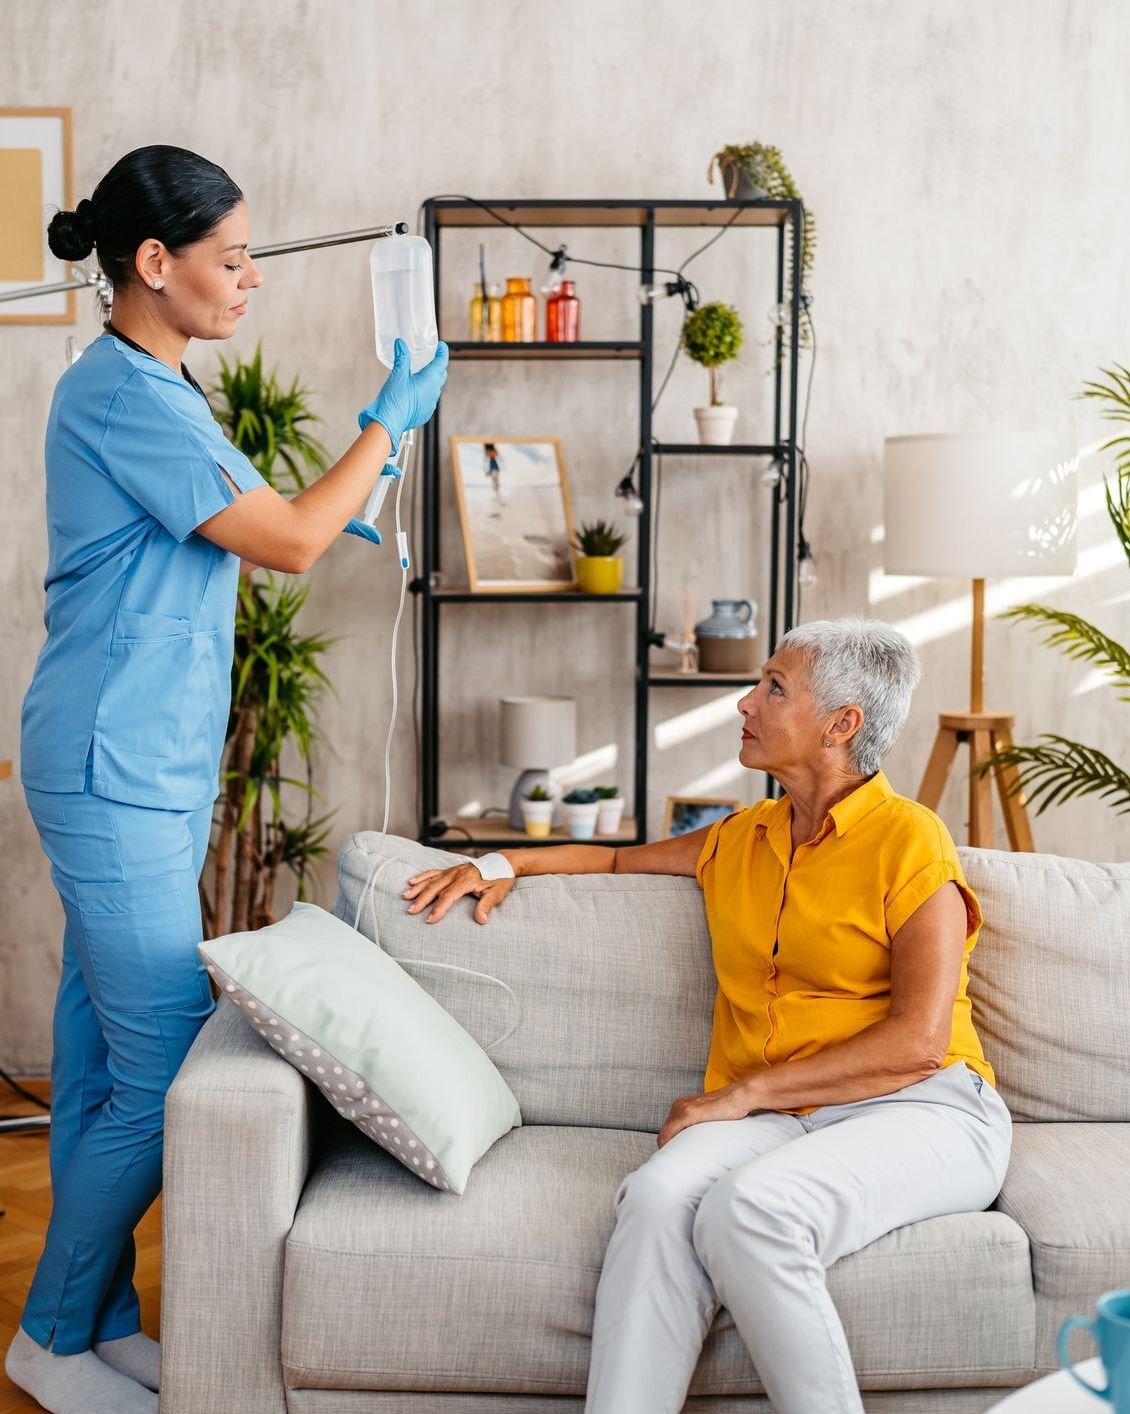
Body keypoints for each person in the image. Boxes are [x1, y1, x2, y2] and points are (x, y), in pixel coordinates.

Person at [6, 144, 448, 1414]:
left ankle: (96, 1321)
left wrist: (343, 490)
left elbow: (259, 524)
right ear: (154, 263)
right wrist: (386, 421)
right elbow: (292, 543)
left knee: (98, 1055)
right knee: (160, 1072)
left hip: (140, 758)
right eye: (233, 257)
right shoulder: (124, 394)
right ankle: (47, 1335)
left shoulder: (158, 385)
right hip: (115, 765)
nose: (252, 278)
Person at [403, 617, 1013, 1414]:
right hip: (785, 1117)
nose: (745, 703)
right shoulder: (743, 837)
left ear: (842, 724)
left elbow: (919, 1043)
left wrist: (742, 1095)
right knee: (656, 1196)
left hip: (923, 1109)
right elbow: (615, 858)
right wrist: (501, 860)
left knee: (747, 1209)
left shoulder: (910, 840)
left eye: (774, 688)